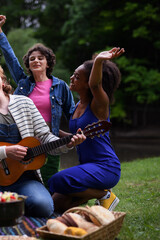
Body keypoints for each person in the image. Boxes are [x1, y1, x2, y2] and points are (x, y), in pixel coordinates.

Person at [0, 46, 85, 218]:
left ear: (4, 83)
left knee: (44, 206)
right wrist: (6, 151)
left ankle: (4, 206)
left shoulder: (25, 104)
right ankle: (9, 206)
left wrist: (67, 144)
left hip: (25, 177)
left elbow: (45, 137)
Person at [0, 15, 75, 189]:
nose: (36, 60)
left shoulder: (60, 86)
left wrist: (73, 134)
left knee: (50, 184)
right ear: (28, 65)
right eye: (32, 59)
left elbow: (72, 114)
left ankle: (51, 213)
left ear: (48, 63)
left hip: (49, 142)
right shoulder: (24, 83)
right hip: (23, 141)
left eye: (40, 58)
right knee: (22, 182)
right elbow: (10, 58)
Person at [48, 47, 125, 213]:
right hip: (87, 167)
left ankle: (103, 195)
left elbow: (95, 84)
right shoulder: (77, 106)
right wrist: (52, 131)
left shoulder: (98, 105)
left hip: (105, 167)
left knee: (55, 181)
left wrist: (98, 61)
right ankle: (92, 209)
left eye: (77, 77)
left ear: (87, 83)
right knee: (55, 204)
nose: (72, 78)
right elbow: (76, 137)